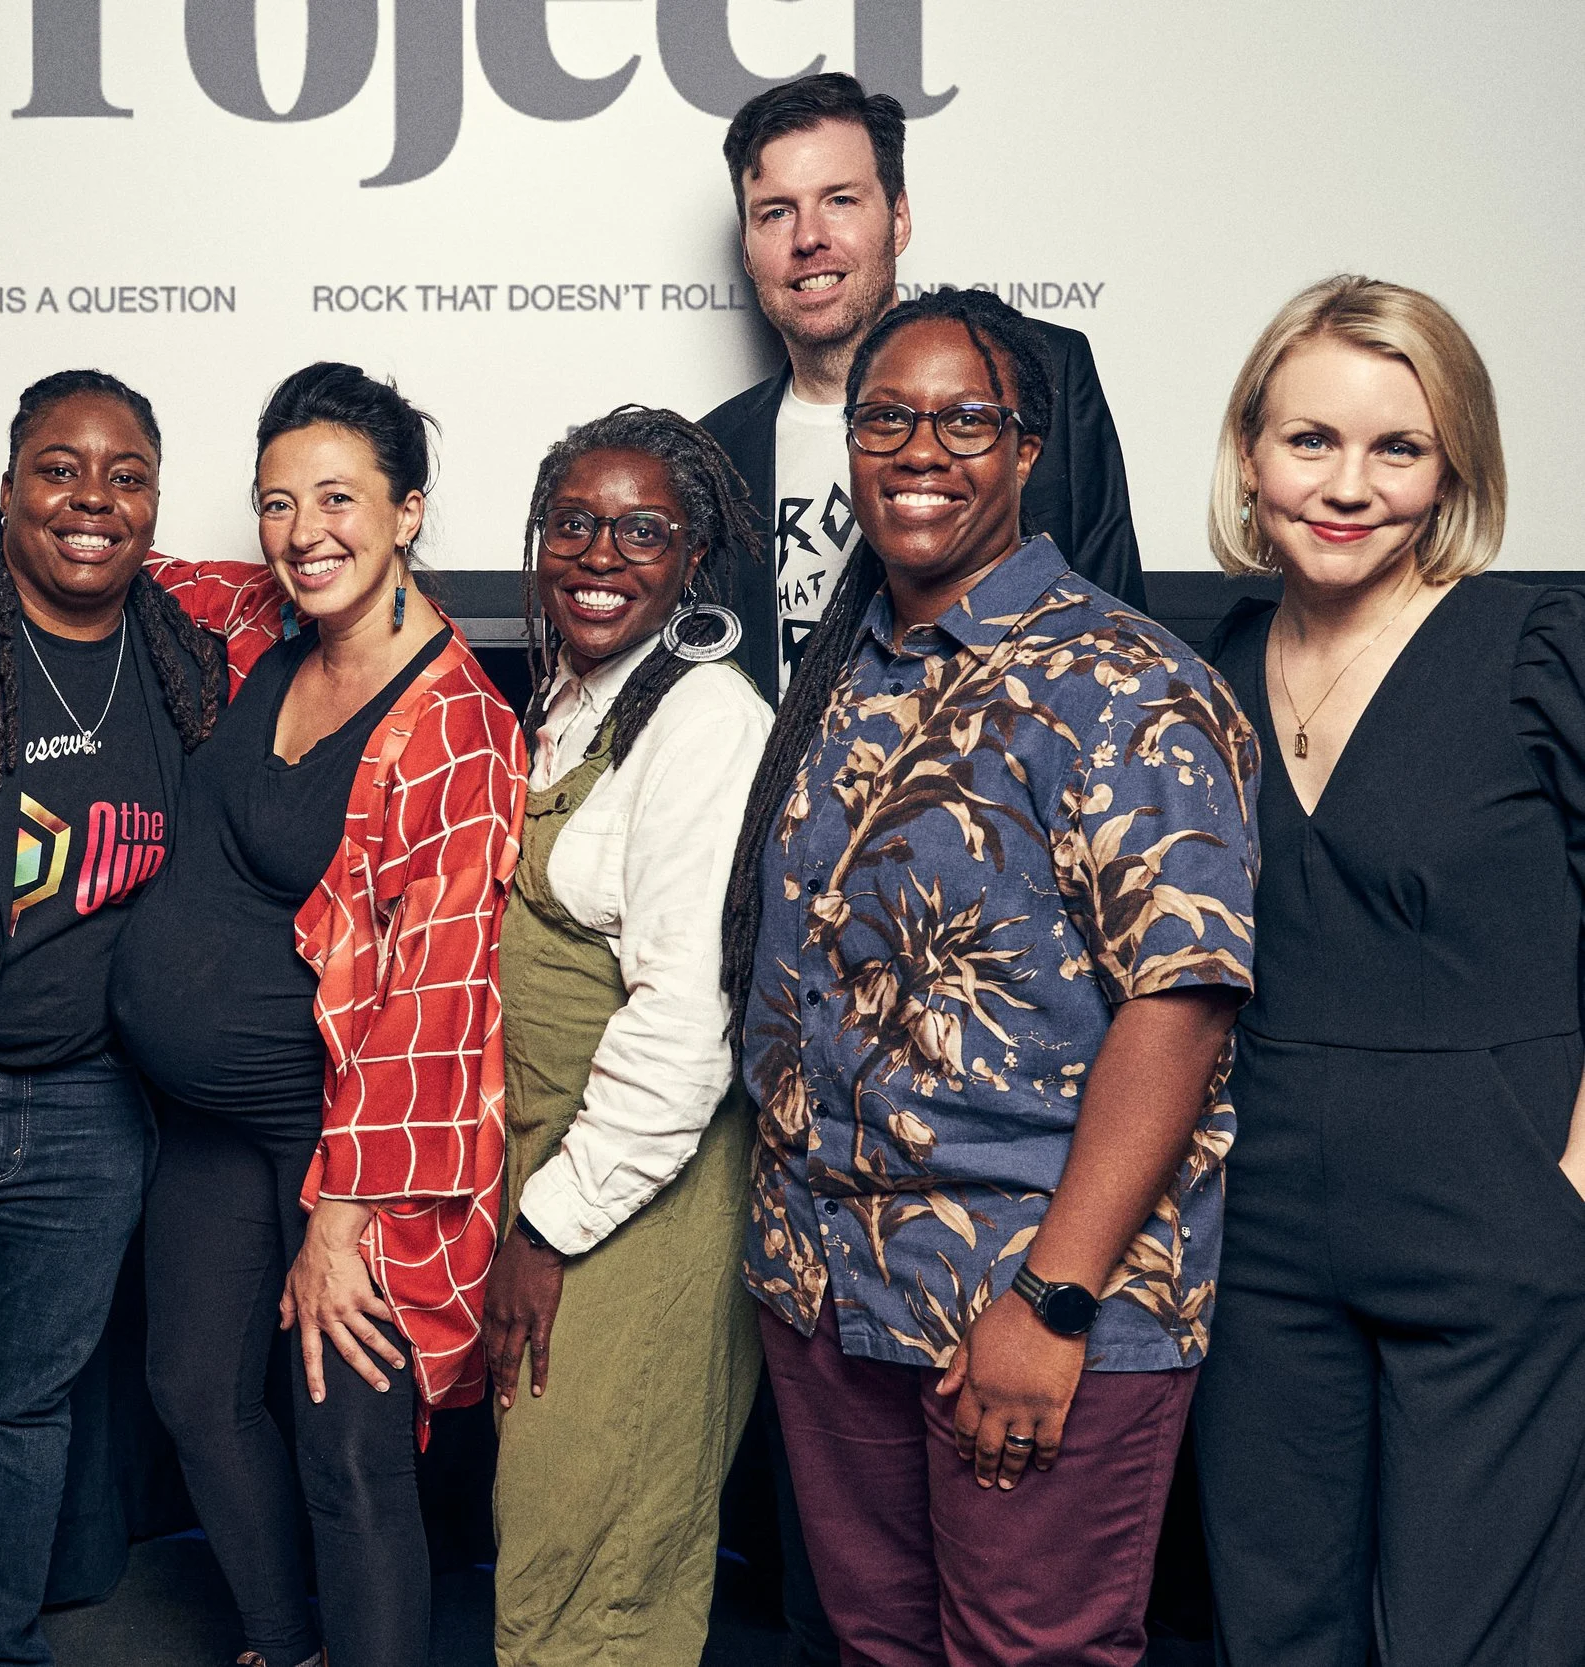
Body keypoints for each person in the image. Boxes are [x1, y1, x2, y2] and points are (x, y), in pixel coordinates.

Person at [725, 288, 1258, 1667]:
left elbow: (1182, 1002)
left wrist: (1054, 1299)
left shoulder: (1124, 682)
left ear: (1027, 449)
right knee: (875, 1643)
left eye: (965, 420)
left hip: (1024, 1295)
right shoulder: (846, 671)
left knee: (1029, 1648)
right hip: (832, 1287)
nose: (920, 450)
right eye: (885, 418)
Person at [1192, 276, 1585, 1667]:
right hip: (1255, 1226)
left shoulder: (1535, 647)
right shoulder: (1207, 666)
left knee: (1470, 1637)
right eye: (1311, 440)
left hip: (1492, 1209)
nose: (1349, 486)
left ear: (1451, 466)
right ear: (1251, 451)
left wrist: (1572, 1171)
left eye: (1397, 448)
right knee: (1272, 1623)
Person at [108, 362, 524, 1667]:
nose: (302, 531)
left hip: (339, 1142)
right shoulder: (265, 627)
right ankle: (286, 1643)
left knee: (348, 1448)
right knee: (193, 1392)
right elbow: (140, 564)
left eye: (337, 498)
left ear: (408, 510)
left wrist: (339, 1224)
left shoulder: (456, 727)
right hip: (207, 1122)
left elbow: (432, 1002)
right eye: (277, 502)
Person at [0, 369, 226, 1667]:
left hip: (92, 1109)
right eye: (59, 467)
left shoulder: (184, 660)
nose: (93, 497)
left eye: (125, 474)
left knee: (18, 1409)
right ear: (7, 490)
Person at [479, 407, 773, 1667]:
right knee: (550, 1538)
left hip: (637, 1200)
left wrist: (550, 1223)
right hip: (553, 1172)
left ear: (693, 556)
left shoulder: (703, 720)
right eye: (574, 524)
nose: (600, 556)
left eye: (642, 531)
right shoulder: (573, 699)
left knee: (593, 1569)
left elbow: (686, 1023)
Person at [701, 71, 1144, 706]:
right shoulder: (715, 449)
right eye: (776, 213)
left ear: (899, 219)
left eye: (840, 200)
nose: (808, 238)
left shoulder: (1040, 372)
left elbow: (1121, 636)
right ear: (747, 250)